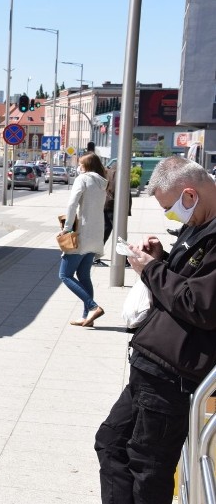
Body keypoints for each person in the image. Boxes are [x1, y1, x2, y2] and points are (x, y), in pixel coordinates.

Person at [95, 156, 216, 504]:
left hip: (173, 371)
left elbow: (200, 305)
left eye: (170, 207)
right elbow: (187, 282)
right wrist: (160, 260)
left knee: (149, 466)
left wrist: (151, 270)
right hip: (152, 362)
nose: (169, 215)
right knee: (110, 443)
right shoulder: (199, 222)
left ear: (190, 195)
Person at [62, 152, 108, 327]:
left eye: (81, 164)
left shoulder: (83, 179)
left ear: (87, 166)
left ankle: (93, 307)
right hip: (96, 234)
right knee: (83, 275)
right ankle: (86, 317)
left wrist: (66, 228)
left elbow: (72, 204)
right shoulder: (102, 183)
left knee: (65, 274)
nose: (79, 167)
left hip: (81, 234)